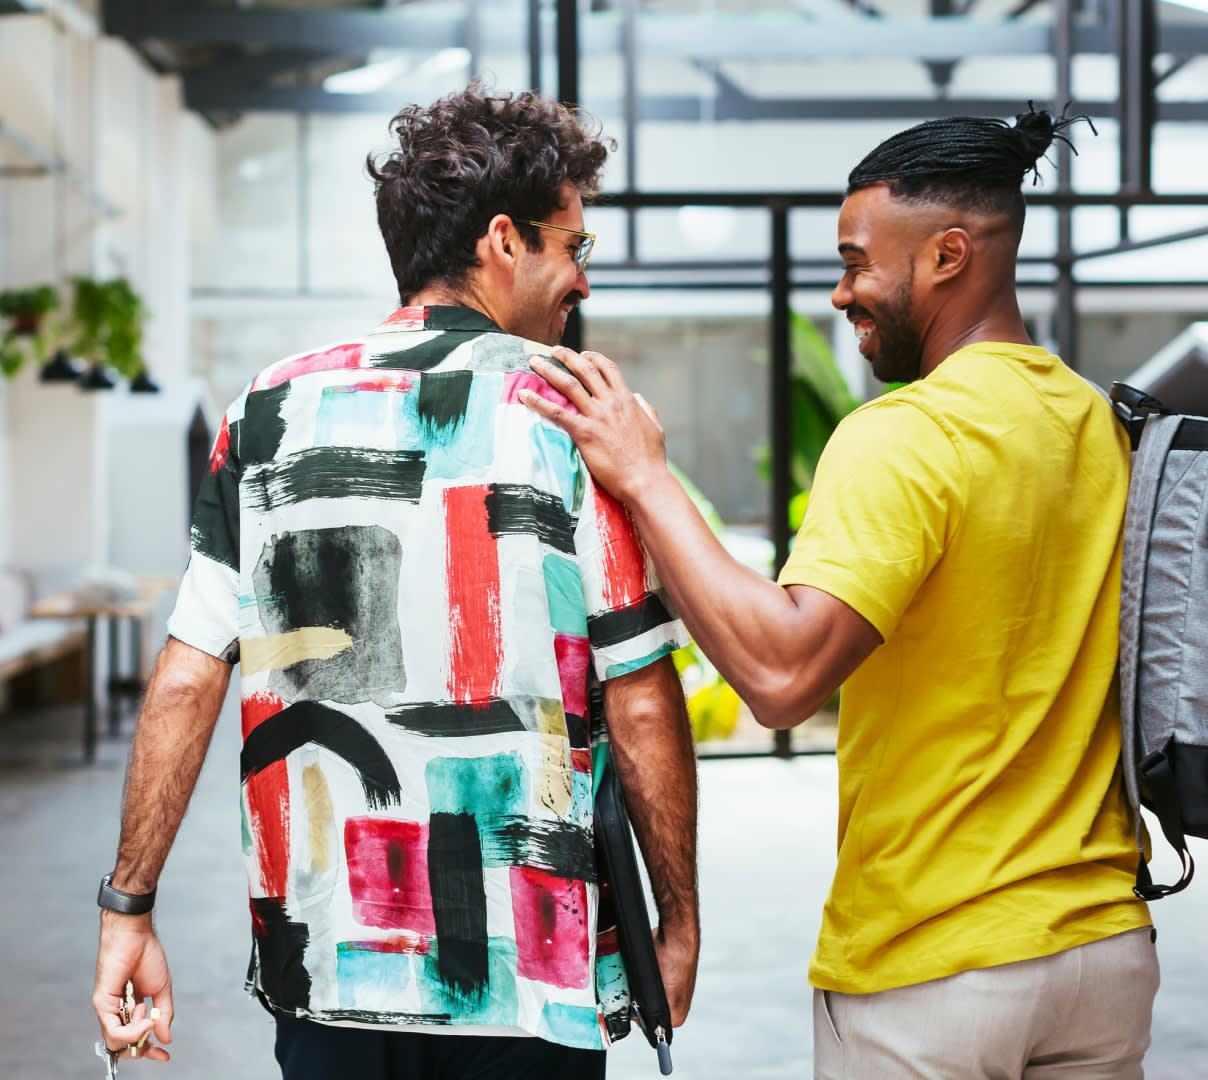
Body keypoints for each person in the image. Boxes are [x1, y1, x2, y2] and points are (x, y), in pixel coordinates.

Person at [522, 106, 1157, 1078]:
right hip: (1103, 953)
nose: (841, 291)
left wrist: (645, 477)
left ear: (946, 255)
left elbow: (783, 676)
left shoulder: (906, 433)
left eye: (857, 262)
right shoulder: (1099, 423)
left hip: (938, 963)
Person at [92, 85, 699, 1080]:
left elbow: (188, 675)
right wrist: (676, 921)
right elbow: (636, 698)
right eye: (572, 245)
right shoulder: (575, 420)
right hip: (530, 983)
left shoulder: (266, 411)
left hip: (330, 969)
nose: (581, 280)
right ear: (503, 241)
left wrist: (128, 906)